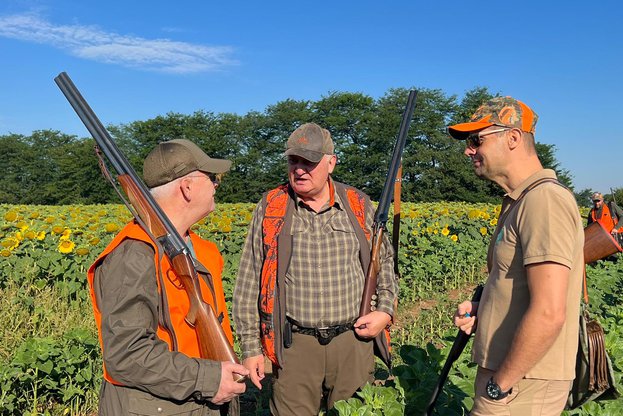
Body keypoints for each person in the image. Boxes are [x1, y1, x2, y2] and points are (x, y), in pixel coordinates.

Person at [233, 122, 398, 415]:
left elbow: (383, 262)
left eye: (308, 162)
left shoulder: (357, 203)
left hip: (353, 341)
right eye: (293, 161)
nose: (299, 170)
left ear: (331, 163)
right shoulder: (271, 206)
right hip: (294, 346)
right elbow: (249, 281)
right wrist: (250, 348)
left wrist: (384, 311)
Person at [87, 139, 249, 415]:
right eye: (212, 178)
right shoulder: (134, 254)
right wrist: (208, 379)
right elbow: (127, 354)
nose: (216, 185)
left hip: (199, 401)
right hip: (157, 407)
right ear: (187, 187)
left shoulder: (198, 248)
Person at [447, 97, 584, 415]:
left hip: (521, 384)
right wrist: (486, 308)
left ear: (512, 138)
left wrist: (500, 385)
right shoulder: (522, 201)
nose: (469, 151)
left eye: (476, 140)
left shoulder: (543, 201)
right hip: (515, 379)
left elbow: (549, 312)